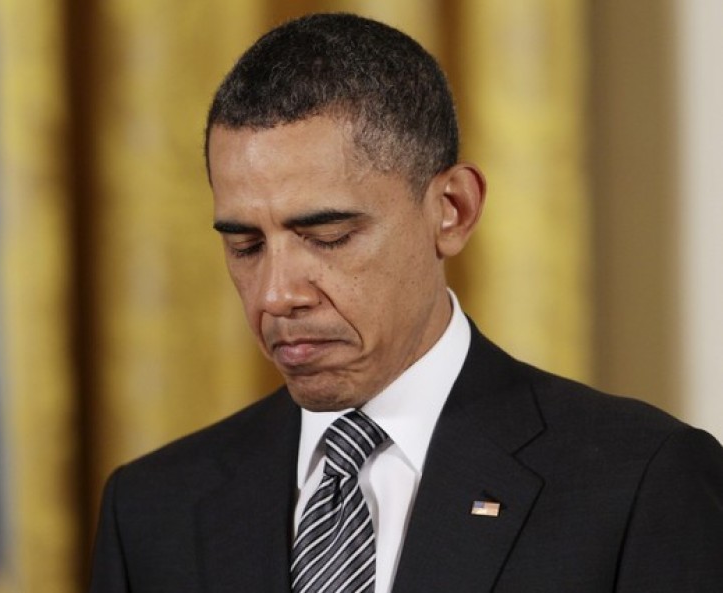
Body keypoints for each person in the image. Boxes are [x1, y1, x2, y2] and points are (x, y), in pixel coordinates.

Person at [89, 13, 723, 593]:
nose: (277, 293)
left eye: (327, 237)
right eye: (247, 246)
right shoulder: (150, 510)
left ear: (452, 210)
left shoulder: (639, 483)